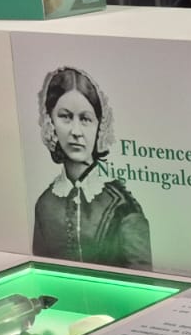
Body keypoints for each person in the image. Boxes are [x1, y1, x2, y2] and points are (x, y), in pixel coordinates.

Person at [30, 66, 151, 268]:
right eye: (65, 117)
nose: (76, 131)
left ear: (99, 126)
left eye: (85, 119)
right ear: (51, 122)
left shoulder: (122, 207)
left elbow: (142, 278)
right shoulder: (45, 204)